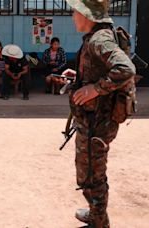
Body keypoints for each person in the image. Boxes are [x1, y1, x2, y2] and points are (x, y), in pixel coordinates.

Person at [65, 0, 136, 227]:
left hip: (98, 121)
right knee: (89, 172)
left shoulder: (99, 39)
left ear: (88, 15)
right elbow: (100, 70)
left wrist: (94, 89)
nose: (73, 17)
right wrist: (79, 79)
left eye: (75, 12)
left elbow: (126, 69)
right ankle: (95, 213)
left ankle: (99, 222)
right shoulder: (97, 37)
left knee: (92, 175)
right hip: (95, 119)